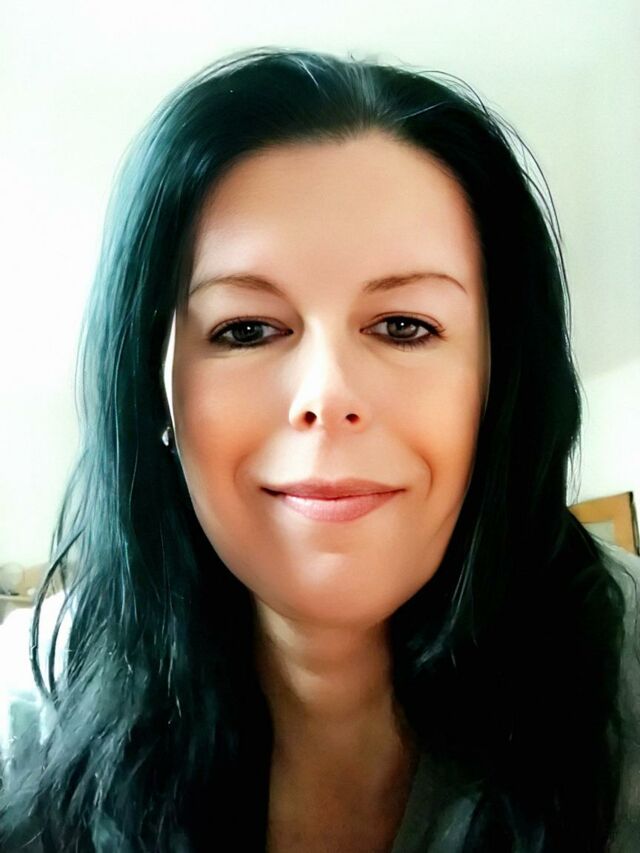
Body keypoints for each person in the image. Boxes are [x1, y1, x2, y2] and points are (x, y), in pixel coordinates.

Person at [0, 46, 638, 852]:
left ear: (498, 382)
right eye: (246, 329)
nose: (328, 395)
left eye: (404, 326)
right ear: (154, 392)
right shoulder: (36, 706)